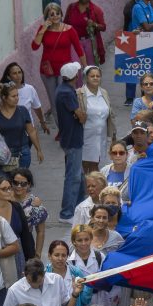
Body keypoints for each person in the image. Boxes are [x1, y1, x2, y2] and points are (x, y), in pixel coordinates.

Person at [31, 2, 86, 123]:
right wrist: (43, 30)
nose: (55, 16)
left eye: (57, 13)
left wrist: (86, 67)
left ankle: (69, 123)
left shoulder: (69, 30)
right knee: (54, 101)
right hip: (48, 70)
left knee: (65, 98)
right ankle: (61, 129)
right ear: (47, 17)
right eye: (51, 14)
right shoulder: (43, 29)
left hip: (66, 71)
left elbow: (79, 49)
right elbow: (34, 46)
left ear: (61, 14)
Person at [2, 258, 82, 306]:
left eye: (39, 282)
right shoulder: (14, 290)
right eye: (30, 282)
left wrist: (75, 294)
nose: (35, 286)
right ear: (24, 274)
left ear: (44, 273)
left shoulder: (57, 280)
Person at [0, 82, 43, 170]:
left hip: (22, 153)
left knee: (19, 181)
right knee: (5, 182)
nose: (17, 98)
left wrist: (39, 150)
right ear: (4, 98)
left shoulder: (22, 111)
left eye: (17, 95)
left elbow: (31, 131)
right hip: (2, 154)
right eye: (13, 96)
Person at [56, 62, 87, 223]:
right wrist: (81, 115)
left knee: (79, 176)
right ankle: (67, 213)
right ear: (75, 75)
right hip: (72, 138)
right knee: (73, 177)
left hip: (71, 137)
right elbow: (81, 116)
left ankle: (80, 206)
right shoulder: (67, 93)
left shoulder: (63, 90)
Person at [77, 65, 116, 173]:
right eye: (92, 76)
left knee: (96, 166)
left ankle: (94, 187)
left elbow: (111, 114)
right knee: (85, 167)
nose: (95, 78)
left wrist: (113, 134)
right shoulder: (80, 93)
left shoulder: (104, 93)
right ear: (86, 78)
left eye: (98, 76)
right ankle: (88, 188)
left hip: (100, 137)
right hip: (85, 137)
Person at [0, 62, 49, 134]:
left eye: (19, 72)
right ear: (8, 76)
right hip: (10, 132)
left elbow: (37, 107)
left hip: (28, 131)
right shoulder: (3, 90)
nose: (18, 75)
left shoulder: (30, 89)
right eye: (14, 73)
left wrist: (43, 122)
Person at [12, 168, 47, 254]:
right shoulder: (4, 198)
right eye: (16, 183)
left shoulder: (34, 202)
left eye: (23, 184)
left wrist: (38, 255)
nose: (19, 186)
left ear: (29, 184)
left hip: (26, 243)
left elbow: (40, 231)